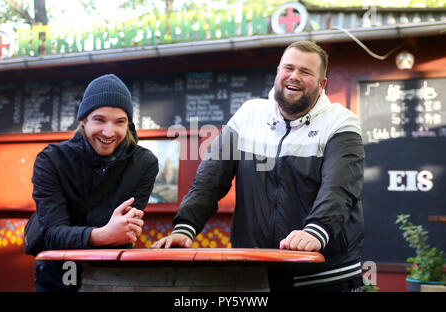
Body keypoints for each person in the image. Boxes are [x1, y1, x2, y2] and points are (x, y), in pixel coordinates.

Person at [152, 41, 365, 291]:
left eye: (305, 72)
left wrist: (316, 231)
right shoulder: (248, 114)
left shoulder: (341, 122)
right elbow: (210, 179)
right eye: (288, 68)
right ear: (278, 72)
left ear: (322, 84)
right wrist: (185, 228)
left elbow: (339, 188)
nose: (294, 77)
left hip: (323, 274)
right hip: (256, 274)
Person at [32, 74, 158, 291]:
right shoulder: (51, 160)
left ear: (128, 124)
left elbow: (125, 231)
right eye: (99, 120)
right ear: (83, 120)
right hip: (57, 276)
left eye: (120, 122)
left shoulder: (145, 163)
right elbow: (52, 234)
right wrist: (102, 234)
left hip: (111, 276)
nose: (109, 132)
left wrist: (108, 233)